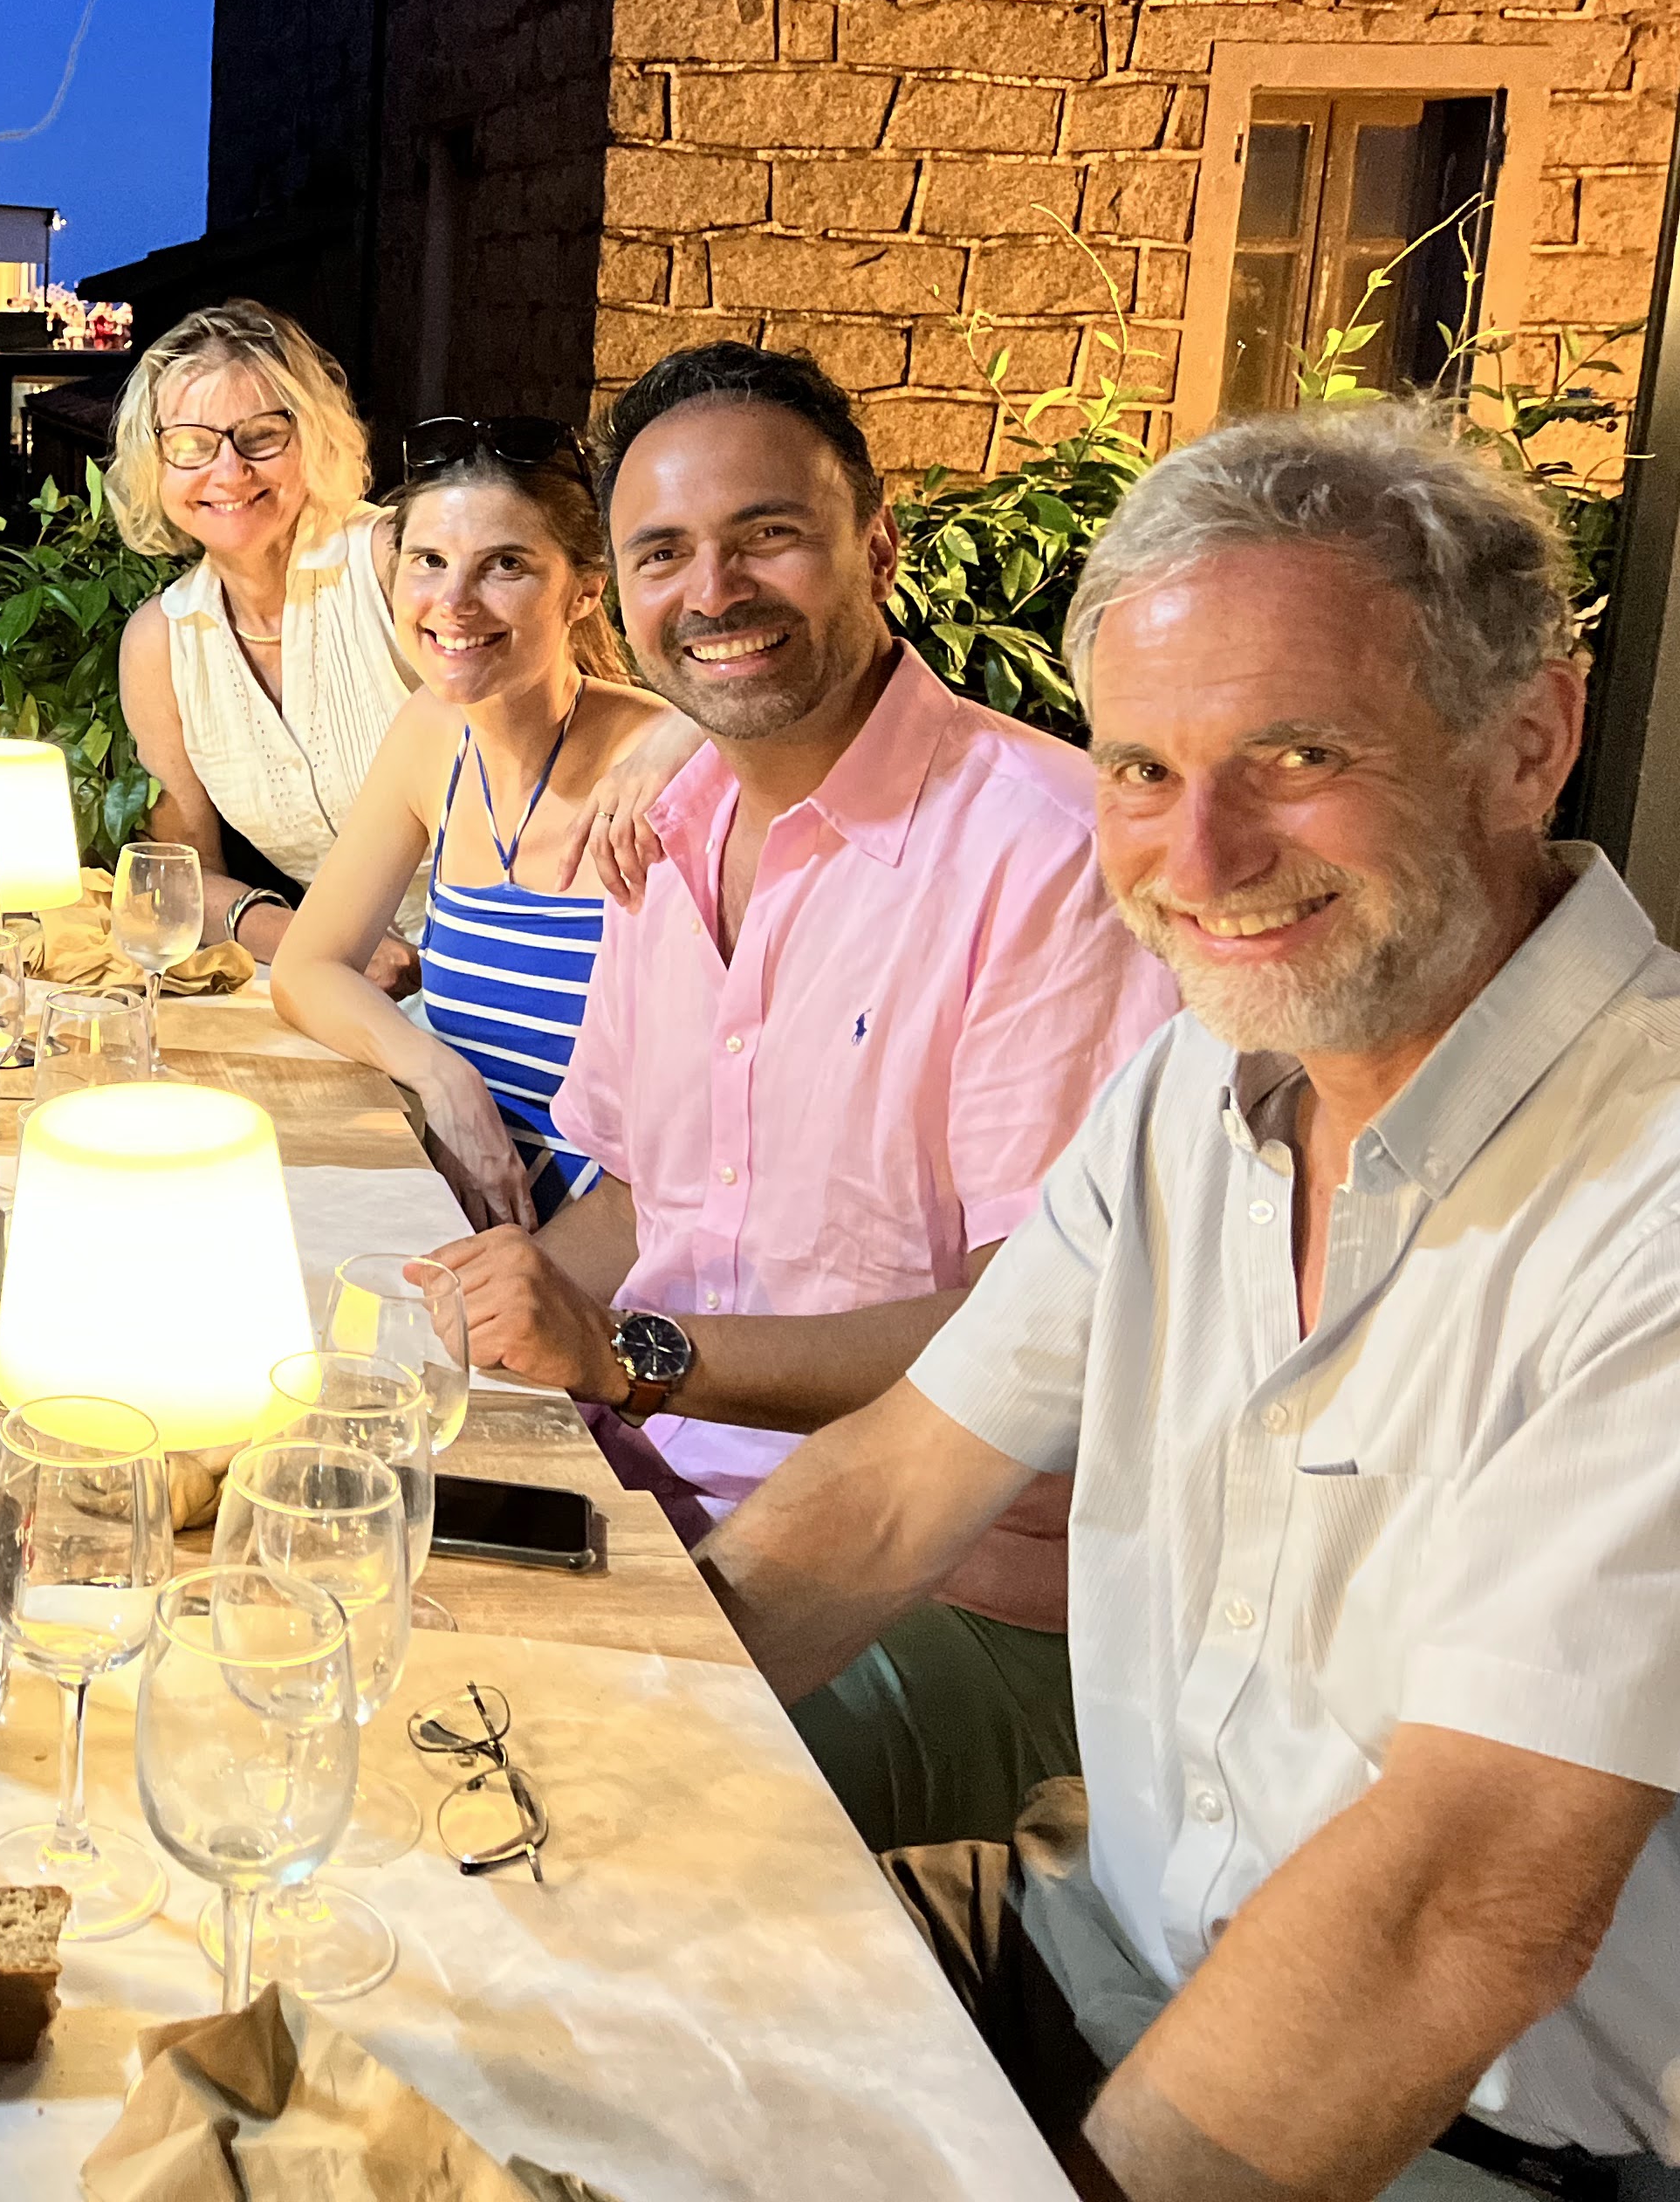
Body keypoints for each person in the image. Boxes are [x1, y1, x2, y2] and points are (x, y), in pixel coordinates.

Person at [709, 409, 1680, 2201]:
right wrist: (577, 1716)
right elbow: (896, 1487)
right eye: (1142, 769)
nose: (1201, 856)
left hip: (1435, 2144)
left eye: (1297, 753)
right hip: (1089, 1967)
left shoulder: (1651, 1190)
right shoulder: (1195, 1086)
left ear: (1530, 740)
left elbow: (1463, 1905)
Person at [437, 341, 1176, 1852]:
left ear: (876, 546)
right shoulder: (670, 825)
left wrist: (632, 1357)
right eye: (664, 552)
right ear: (621, 592)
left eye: (765, 533)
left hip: (949, 1587)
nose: (713, 590)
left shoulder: (1042, 855)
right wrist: (456, 1352)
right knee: (294, 1597)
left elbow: (1039, 1333)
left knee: (559, 1831)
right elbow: (643, 1196)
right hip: (650, 1491)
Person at [269, 416, 696, 1229]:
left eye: (506, 565)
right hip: (460, 1212)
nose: (454, 602)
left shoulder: (663, 768)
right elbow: (307, 967)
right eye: (430, 561)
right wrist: (441, 1075)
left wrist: (699, 730)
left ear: (585, 590)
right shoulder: (432, 735)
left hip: (620, 1247)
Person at [110, 300, 424, 990]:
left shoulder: (395, 562)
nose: (229, 471)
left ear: (315, 440)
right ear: (153, 463)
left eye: (261, 436)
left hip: (523, 964)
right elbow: (180, 876)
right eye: (191, 443)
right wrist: (316, 944)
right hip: (351, 987)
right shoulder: (160, 643)